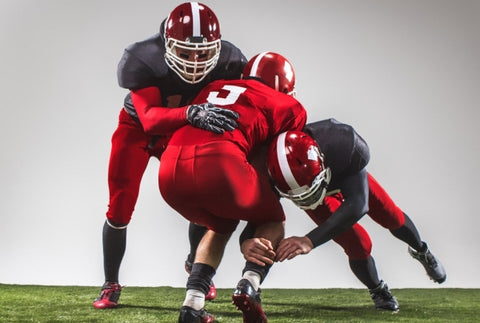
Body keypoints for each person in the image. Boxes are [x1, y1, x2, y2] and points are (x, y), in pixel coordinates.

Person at [93, 2, 247, 309]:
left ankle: (195, 262)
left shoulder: (231, 61)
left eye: (203, 54)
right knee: (120, 205)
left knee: (201, 195)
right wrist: (191, 112)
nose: (194, 61)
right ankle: (110, 283)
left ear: (217, 49)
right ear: (166, 46)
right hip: (137, 128)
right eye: (186, 53)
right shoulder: (143, 57)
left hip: (183, 130)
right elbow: (149, 117)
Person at [157, 52, 307, 322]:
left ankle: (193, 304)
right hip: (220, 166)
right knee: (274, 219)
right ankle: (249, 283)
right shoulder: (290, 106)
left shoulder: (215, 85)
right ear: (285, 87)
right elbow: (276, 158)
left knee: (220, 223)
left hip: (169, 171)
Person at [254, 120, 446, 311]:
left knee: (390, 216)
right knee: (357, 244)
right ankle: (377, 289)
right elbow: (257, 217)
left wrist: (309, 240)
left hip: (344, 176)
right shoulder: (265, 169)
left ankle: (422, 251)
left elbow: (358, 206)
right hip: (314, 189)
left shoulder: (342, 144)